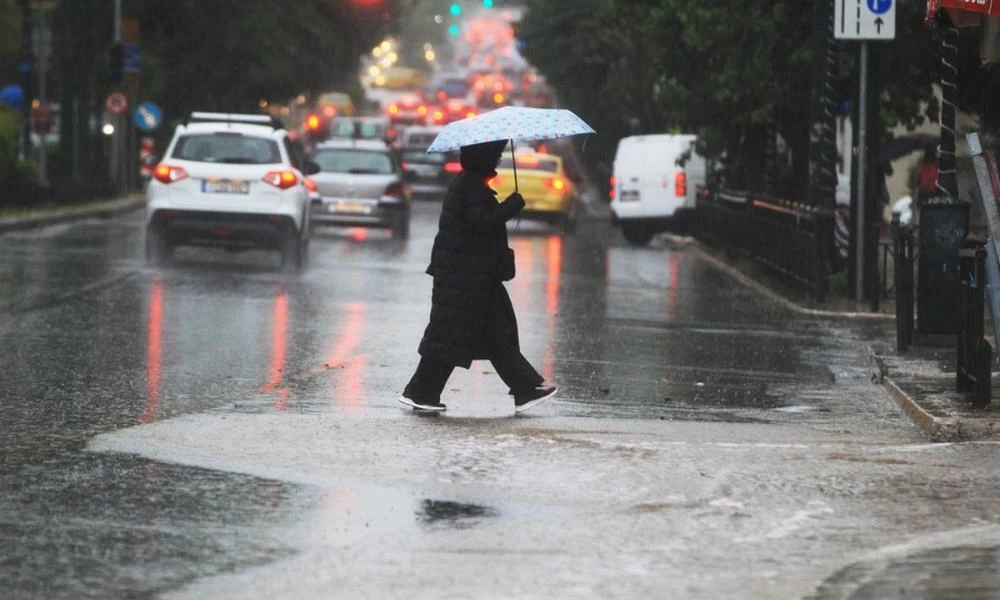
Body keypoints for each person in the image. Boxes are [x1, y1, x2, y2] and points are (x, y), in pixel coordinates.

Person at [399, 139, 557, 414]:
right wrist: (511, 205)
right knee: (455, 335)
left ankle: (523, 389)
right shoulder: (470, 184)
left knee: (493, 332)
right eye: (494, 154)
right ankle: (421, 391)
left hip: (473, 276)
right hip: (465, 277)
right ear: (482, 157)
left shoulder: (469, 183)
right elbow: (479, 223)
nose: (497, 159)